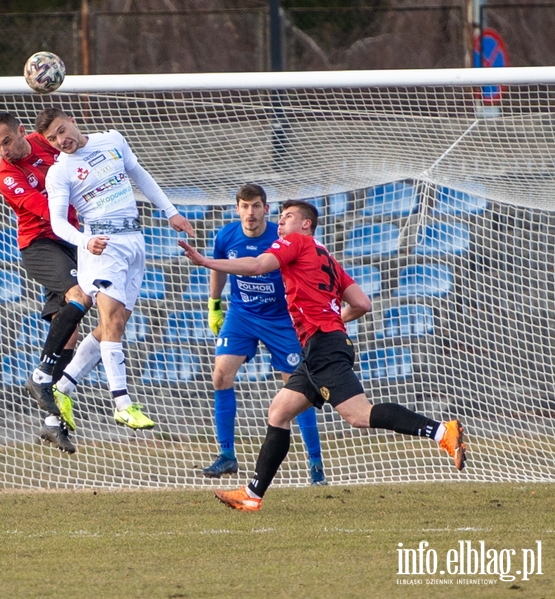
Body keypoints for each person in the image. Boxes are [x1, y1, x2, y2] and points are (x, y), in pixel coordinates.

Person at [179, 199, 466, 511]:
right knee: (279, 411)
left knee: (359, 415)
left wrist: (207, 262)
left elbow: (258, 265)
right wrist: (331, 320)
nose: (280, 223)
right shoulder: (325, 256)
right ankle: (252, 494)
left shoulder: (294, 242)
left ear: (306, 224)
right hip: (324, 342)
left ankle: (441, 431)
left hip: (323, 345)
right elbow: (362, 303)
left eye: (287, 217)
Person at [35, 107, 195, 431]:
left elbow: (140, 175)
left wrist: (171, 212)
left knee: (117, 324)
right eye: (52, 139)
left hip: (134, 240)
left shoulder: (112, 140)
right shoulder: (59, 172)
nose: (60, 141)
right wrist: (84, 240)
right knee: (110, 319)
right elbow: (57, 222)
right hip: (101, 244)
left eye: (61, 131)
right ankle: (122, 403)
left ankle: (63, 386)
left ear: (72, 121)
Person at [0, 112, 93, 454]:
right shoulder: (6, 176)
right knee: (81, 295)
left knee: (70, 331)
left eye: (5, 142)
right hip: (41, 245)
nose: (2, 151)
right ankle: (41, 376)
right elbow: (49, 212)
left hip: (72, 240)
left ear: (21, 132)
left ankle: (50, 423)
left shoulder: (46, 142)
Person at [203, 184, 326, 485]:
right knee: (221, 375)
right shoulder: (226, 236)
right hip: (242, 315)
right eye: (245, 206)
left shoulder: (281, 237)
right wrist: (214, 304)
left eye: (256, 206)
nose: (250, 213)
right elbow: (220, 268)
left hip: (282, 319)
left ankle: (315, 463)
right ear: (237, 209)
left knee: (297, 390)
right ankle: (227, 455)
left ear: (266, 209)